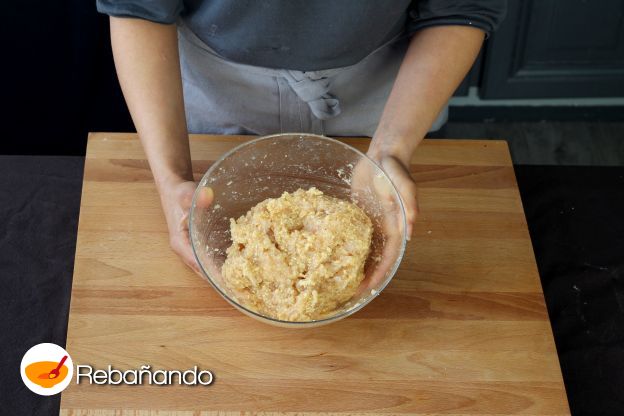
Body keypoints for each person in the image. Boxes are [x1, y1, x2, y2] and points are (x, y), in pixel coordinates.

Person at [97, 0, 506, 274]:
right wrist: (172, 180)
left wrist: (390, 149)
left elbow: (463, 7)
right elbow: (139, 8)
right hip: (213, 87)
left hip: (395, 89)